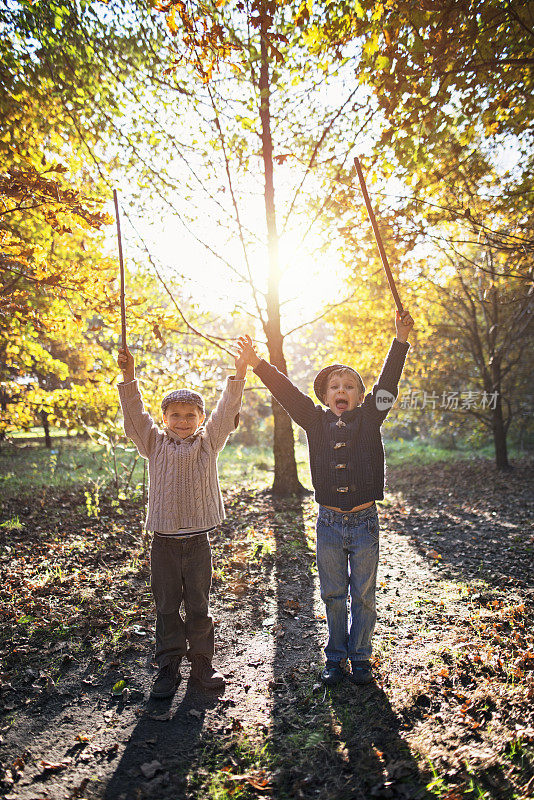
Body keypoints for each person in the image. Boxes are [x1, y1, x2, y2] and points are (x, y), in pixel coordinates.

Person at [237, 309, 414, 686]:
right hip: (329, 524)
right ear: (324, 396)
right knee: (333, 595)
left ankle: (361, 657)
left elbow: (388, 385)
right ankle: (335, 658)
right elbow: (286, 392)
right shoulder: (313, 420)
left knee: (363, 596)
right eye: (334, 386)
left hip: (365, 523)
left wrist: (399, 341)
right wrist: (257, 364)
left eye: (349, 386)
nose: (342, 392)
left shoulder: (371, 417)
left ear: (360, 396)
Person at [117, 344, 246, 697]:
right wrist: (128, 377)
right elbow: (133, 415)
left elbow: (226, 411)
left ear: (201, 419)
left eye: (191, 415)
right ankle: (169, 666)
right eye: (175, 415)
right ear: (165, 419)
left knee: (199, 606)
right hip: (163, 544)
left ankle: (202, 665)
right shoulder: (153, 444)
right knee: (166, 607)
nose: (183, 421)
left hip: (198, 543)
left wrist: (239, 374)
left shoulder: (209, 442)